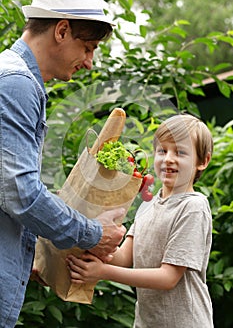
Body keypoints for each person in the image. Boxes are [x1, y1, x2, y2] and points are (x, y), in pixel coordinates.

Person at [0, 0, 126, 326]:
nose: (89, 63)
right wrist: (94, 234)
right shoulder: (16, 84)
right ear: (61, 30)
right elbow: (19, 194)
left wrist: (33, 260)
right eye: (87, 47)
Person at [67, 114, 214, 328]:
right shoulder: (149, 205)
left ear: (203, 161)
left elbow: (168, 277)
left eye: (180, 152)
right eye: (162, 151)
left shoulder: (193, 207)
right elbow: (125, 257)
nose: (168, 159)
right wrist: (90, 233)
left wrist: (102, 273)